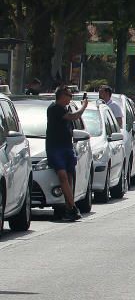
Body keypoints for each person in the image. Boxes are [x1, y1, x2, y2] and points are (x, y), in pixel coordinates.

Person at [47, 86, 88, 221]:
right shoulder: (54, 109)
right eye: (68, 96)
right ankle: (73, 207)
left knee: (69, 176)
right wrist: (83, 107)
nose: (70, 98)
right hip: (55, 148)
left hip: (67, 147)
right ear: (61, 96)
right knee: (62, 175)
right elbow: (74, 116)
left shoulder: (66, 108)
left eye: (71, 96)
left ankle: (68, 208)